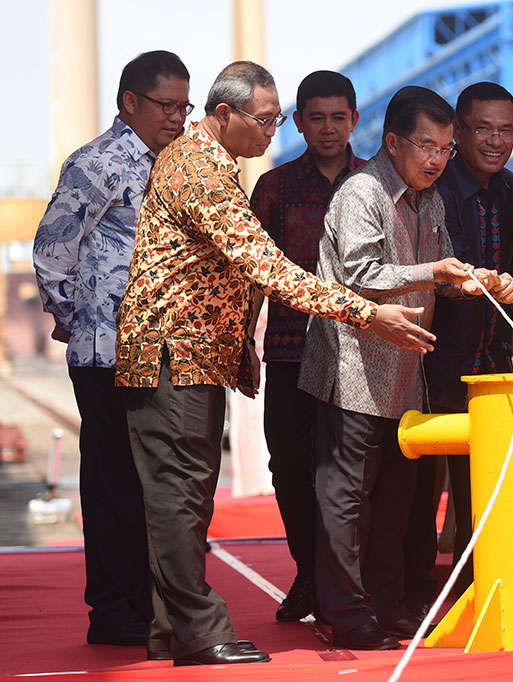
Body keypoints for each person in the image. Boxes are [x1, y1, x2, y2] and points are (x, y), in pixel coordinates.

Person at [115, 61, 436, 666]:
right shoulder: (199, 171)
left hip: (195, 359)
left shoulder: (211, 165)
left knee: (184, 495)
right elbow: (267, 266)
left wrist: (239, 348)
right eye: (264, 120)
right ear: (224, 114)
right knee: (180, 496)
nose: (272, 131)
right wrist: (368, 314)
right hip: (173, 359)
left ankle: (172, 627)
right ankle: (201, 631)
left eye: (275, 119)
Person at [298, 85, 509, 651]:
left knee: (395, 500)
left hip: (404, 374)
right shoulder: (361, 192)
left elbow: (435, 276)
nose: (437, 159)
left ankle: (387, 604)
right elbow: (362, 274)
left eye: (445, 148)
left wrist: (479, 284)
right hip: (352, 372)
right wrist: (436, 269)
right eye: (426, 146)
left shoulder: (431, 198)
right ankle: (344, 611)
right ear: (392, 142)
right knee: (344, 500)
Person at [33, 50, 191, 651]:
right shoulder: (97, 164)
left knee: (159, 484)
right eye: (166, 106)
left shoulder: (175, 165)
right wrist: (80, 321)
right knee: (114, 484)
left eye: (185, 106)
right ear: (130, 103)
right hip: (107, 356)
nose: (177, 117)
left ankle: (157, 609)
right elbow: (51, 254)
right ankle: (116, 613)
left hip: (164, 351)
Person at [249, 70, 365, 623]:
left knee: (345, 471)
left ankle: (343, 582)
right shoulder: (272, 187)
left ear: (354, 120)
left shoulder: (376, 183)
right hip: (291, 352)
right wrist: (245, 342)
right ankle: (306, 574)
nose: (327, 128)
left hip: (359, 356)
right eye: (315, 117)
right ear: (298, 122)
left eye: (337, 117)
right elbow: (253, 273)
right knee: (289, 465)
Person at [423, 82, 513, 597]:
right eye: (483, 128)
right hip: (433, 360)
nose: (495, 140)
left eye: (506, 130)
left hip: (491, 359)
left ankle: (483, 585)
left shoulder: (509, 188)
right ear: (458, 131)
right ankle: (419, 593)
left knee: (485, 481)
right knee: (421, 484)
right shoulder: (434, 188)